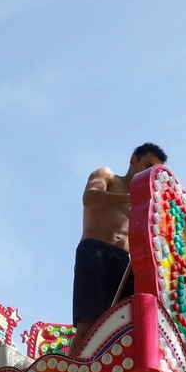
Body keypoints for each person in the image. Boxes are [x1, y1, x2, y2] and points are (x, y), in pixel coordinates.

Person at [72, 143, 168, 336]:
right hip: (96, 250)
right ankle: (76, 357)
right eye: (147, 166)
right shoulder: (107, 175)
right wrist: (130, 197)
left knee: (127, 328)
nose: (149, 173)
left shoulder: (146, 203)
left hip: (124, 262)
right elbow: (90, 198)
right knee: (88, 324)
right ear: (134, 160)